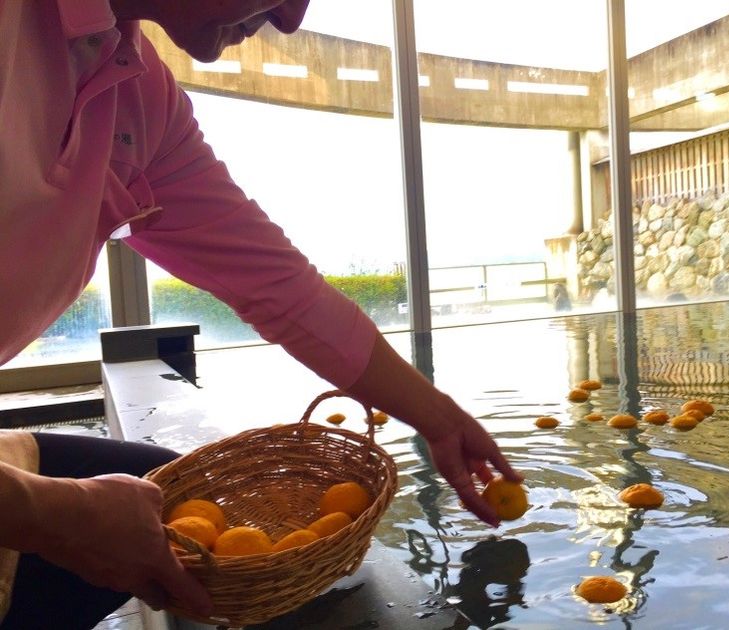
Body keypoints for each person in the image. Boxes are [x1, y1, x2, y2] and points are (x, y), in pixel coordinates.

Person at [0, 0, 523, 627]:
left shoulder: (136, 88)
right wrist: (55, 513)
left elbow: (283, 289)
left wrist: (439, 421)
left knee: (154, 497)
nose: (292, 20)